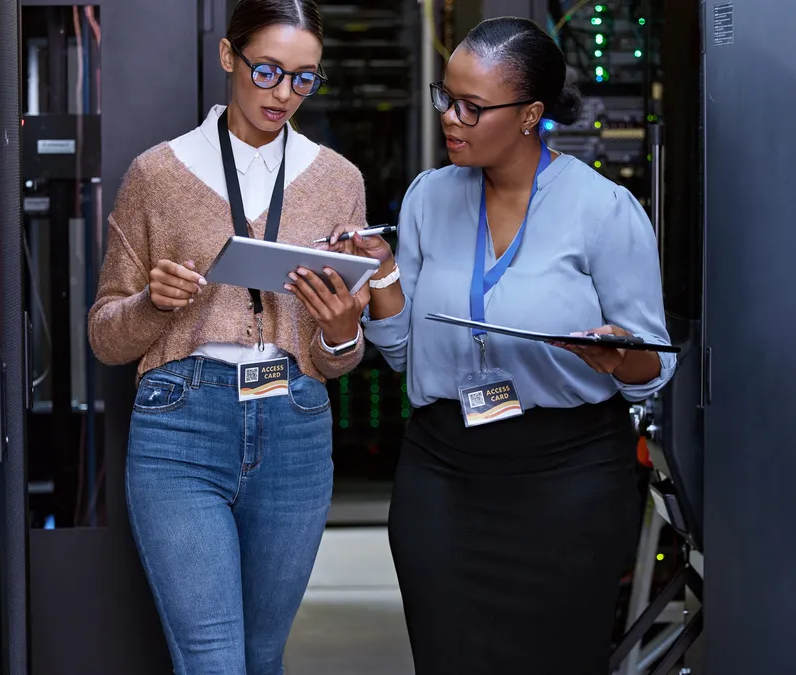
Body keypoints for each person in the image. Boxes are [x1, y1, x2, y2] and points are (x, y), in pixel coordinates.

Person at [327, 16, 678, 675]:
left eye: (472, 107)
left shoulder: (603, 210)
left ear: (530, 115)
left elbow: (649, 368)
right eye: (445, 98)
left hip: (565, 477)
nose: (450, 120)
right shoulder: (430, 198)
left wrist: (613, 351)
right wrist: (381, 275)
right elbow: (403, 350)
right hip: (442, 471)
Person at [87, 1, 369, 672]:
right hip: (181, 425)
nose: (283, 94)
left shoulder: (338, 180)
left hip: (296, 425)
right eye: (267, 71)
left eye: (304, 79)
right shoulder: (157, 174)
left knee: (262, 655)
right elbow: (104, 336)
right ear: (226, 56)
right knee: (214, 659)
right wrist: (156, 304)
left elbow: (339, 361)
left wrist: (339, 330)